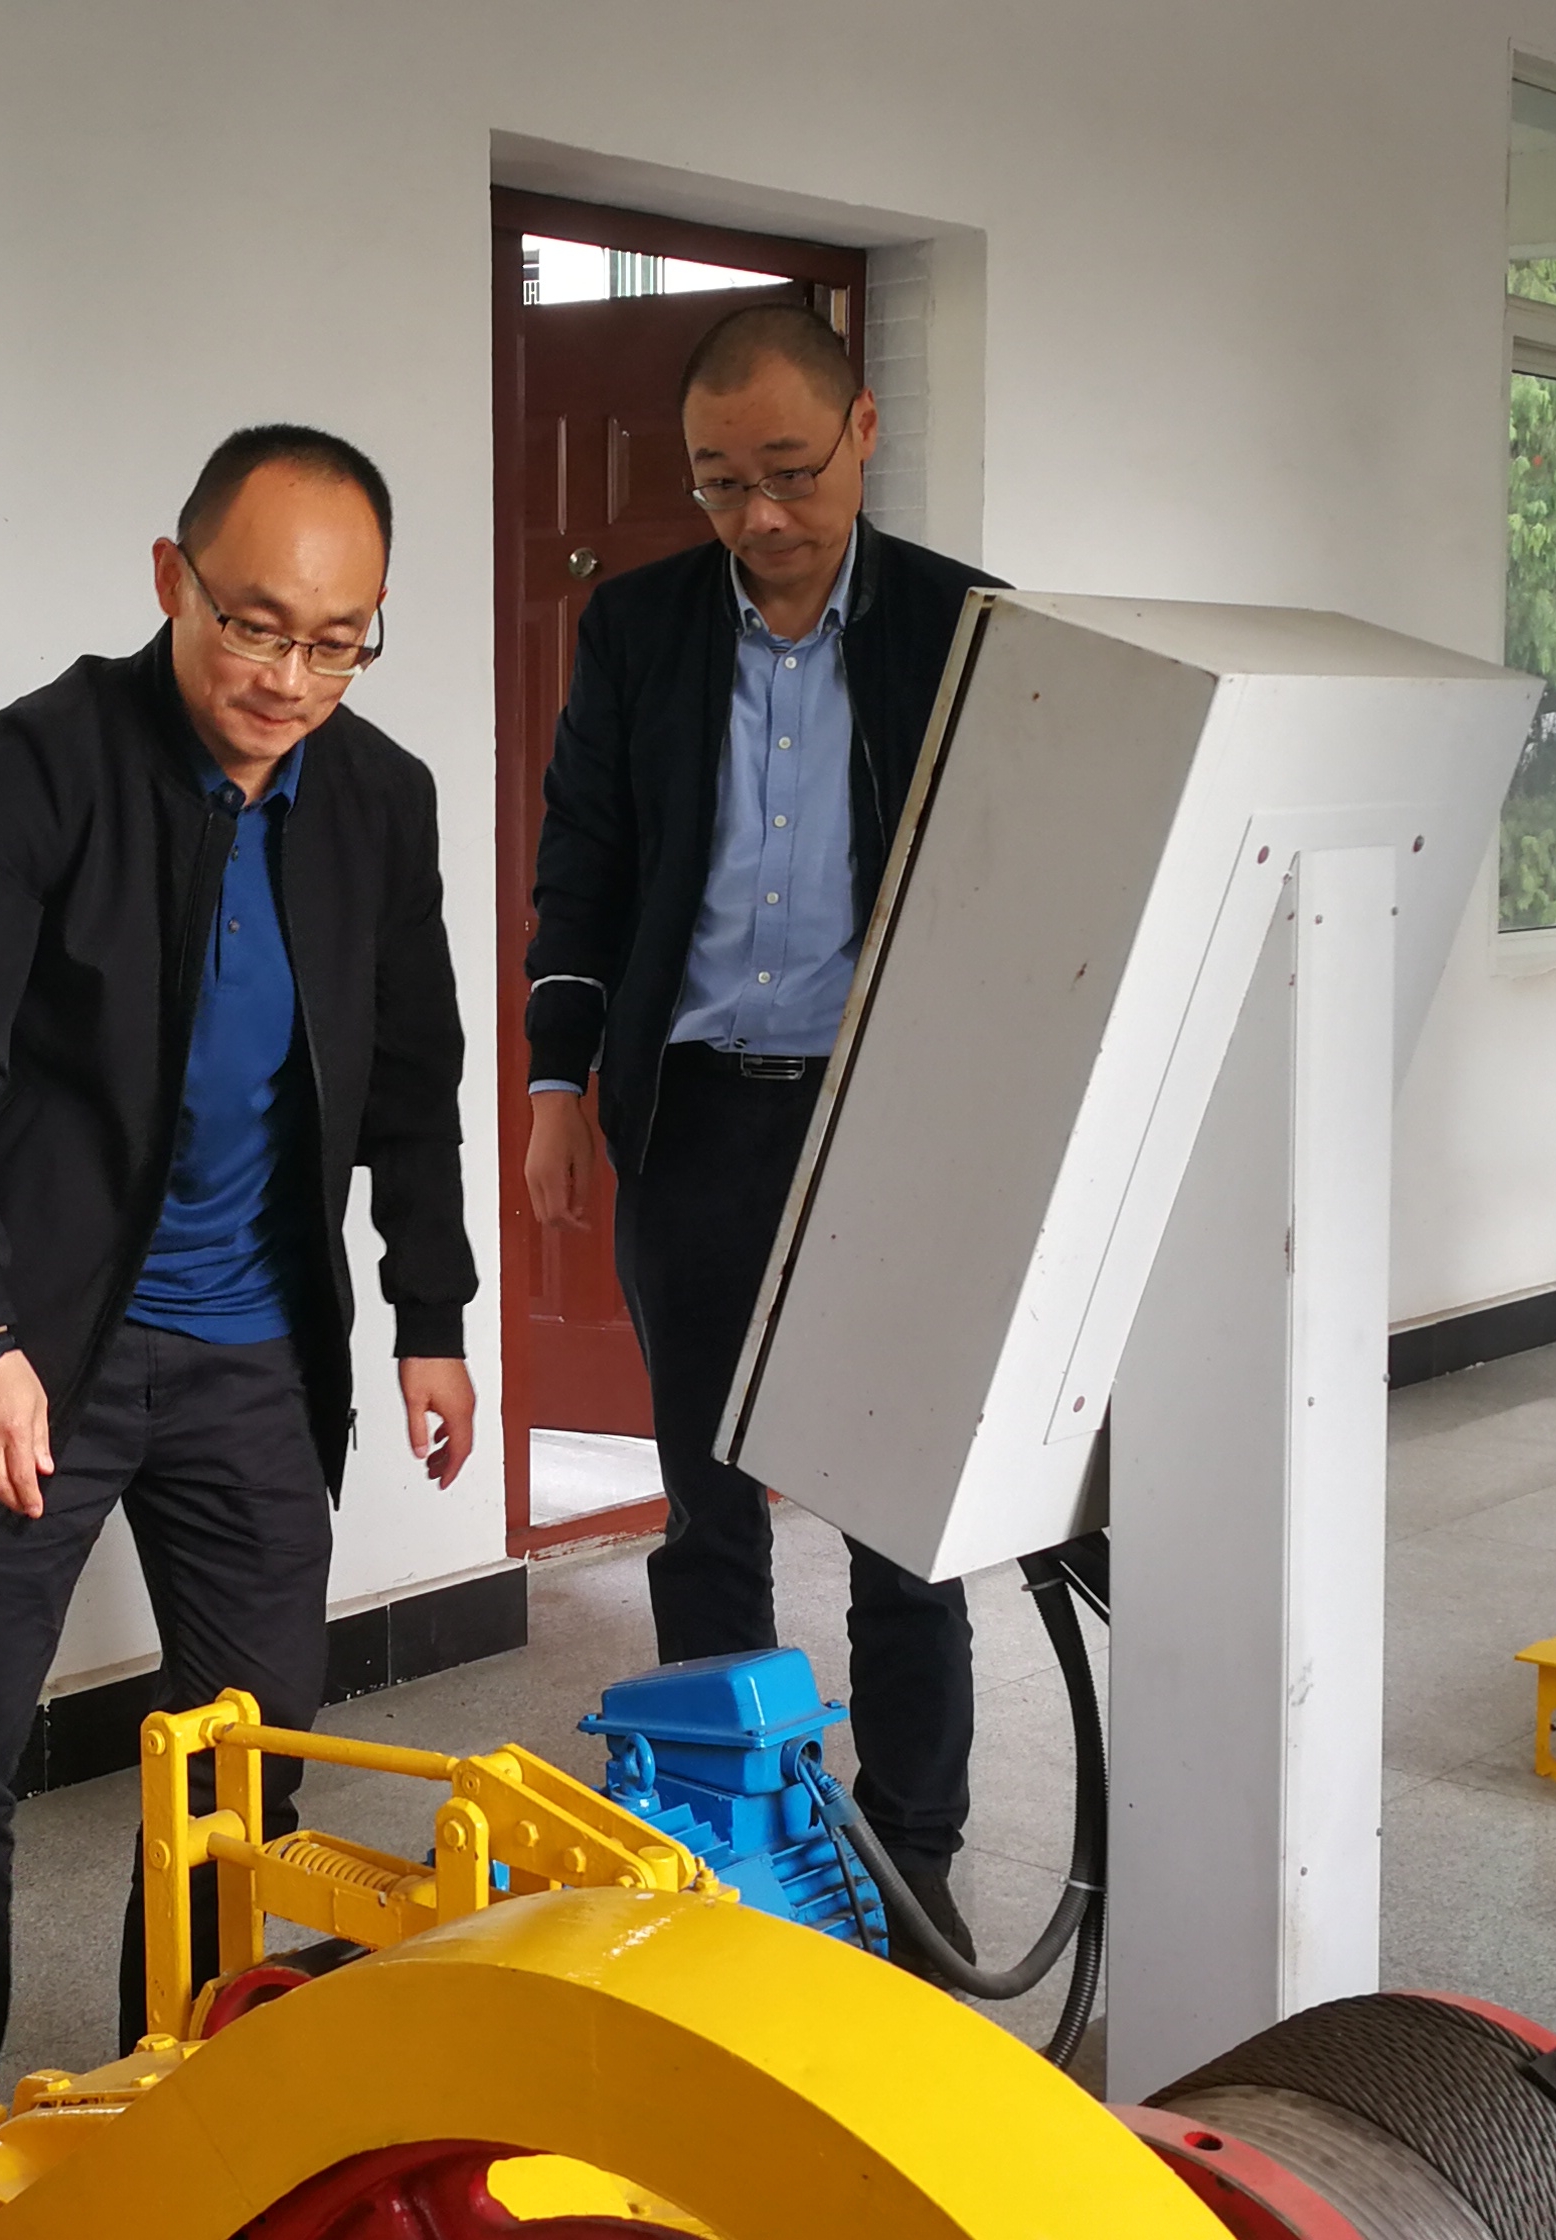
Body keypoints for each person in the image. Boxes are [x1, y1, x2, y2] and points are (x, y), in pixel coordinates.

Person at [0, 426, 478, 2212]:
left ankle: (180, 2087)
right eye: (253, 625)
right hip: (35, 1341)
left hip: (256, 1350)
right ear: (169, 579)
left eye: (336, 642)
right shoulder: (32, 770)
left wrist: (430, 1311)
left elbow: (414, 1078)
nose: (288, 679)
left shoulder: (382, 797)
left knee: (245, 1751)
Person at [520, 303, 1007, 1966]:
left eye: (791, 471)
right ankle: (732, 1836)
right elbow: (582, 857)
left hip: (888, 1130)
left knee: (898, 1517)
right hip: (697, 1117)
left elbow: (1011, 885)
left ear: (864, 431)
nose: (762, 516)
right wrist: (557, 1086)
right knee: (707, 1504)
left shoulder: (964, 626)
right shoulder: (639, 626)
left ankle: (915, 1861)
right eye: (721, 482)